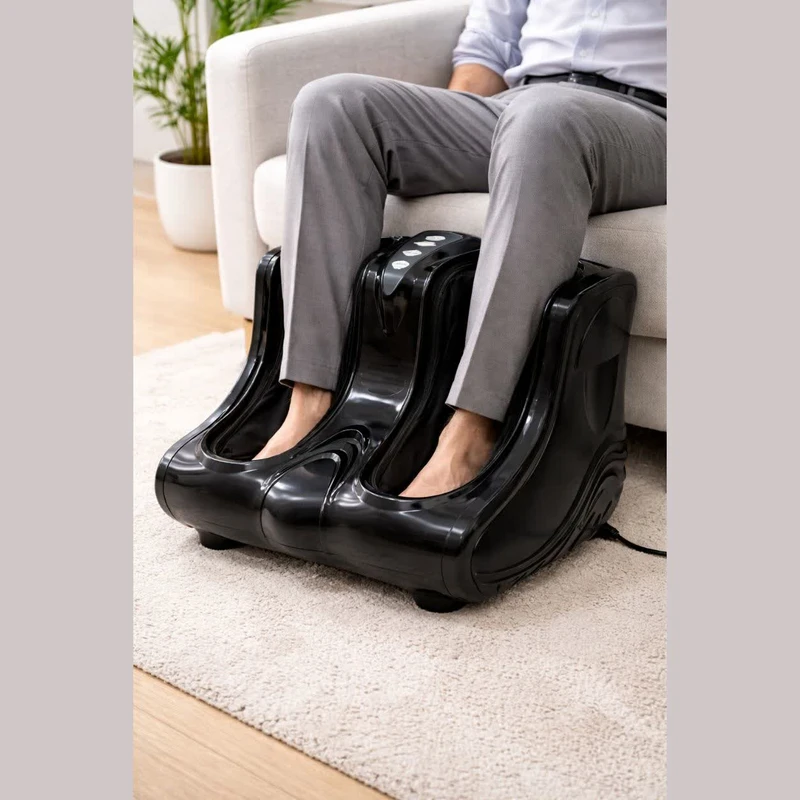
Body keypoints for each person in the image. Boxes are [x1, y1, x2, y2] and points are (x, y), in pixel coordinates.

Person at [254, 0, 666, 498]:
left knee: (544, 118)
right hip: (518, 108)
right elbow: (488, 44)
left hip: (648, 120)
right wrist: (444, 135)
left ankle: (472, 436)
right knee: (332, 103)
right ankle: (312, 407)